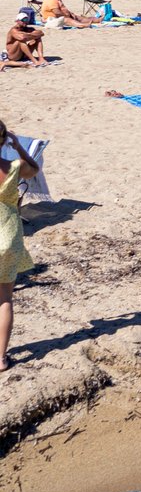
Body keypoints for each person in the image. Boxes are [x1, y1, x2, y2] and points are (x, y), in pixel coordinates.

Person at [0, 121, 40, 369]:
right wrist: (18, 148)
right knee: (4, 298)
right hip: (9, 236)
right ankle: (1, 358)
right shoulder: (14, 167)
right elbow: (34, 168)